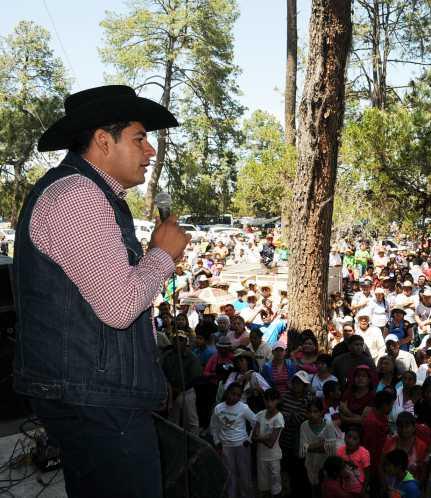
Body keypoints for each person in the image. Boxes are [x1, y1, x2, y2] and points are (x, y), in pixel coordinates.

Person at [14, 85, 189, 498]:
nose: (150, 152)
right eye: (139, 138)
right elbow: (120, 306)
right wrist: (163, 255)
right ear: (103, 140)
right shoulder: (78, 195)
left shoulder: (84, 193)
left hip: (88, 394)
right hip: (98, 400)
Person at [210, 382, 257, 498]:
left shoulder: (243, 408)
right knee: (229, 475)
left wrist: (250, 439)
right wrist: (217, 442)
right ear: (227, 393)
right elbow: (214, 427)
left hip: (242, 445)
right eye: (232, 394)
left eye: (238, 395)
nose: (235, 397)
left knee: (245, 474)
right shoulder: (218, 408)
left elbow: (256, 422)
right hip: (225, 446)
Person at [162, 331, 203, 435]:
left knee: (191, 421)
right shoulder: (167, 355)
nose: (178, 342)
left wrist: (180, 389)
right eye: (175, 339)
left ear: (186, 342)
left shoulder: (192, 357)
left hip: (186, 391)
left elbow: (195, 377)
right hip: (170, 391)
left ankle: (194, 444)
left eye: (181, 340)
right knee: (172, 419)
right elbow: (161, 370)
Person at [299, 398, 344, 494]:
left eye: (315, 411)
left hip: (326, 467)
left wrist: (309, 447)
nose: (312, 415)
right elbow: (302, 450)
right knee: (314, 490)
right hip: (311, 465)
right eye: (309, 412)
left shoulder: (328, 426)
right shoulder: (304, 425)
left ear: (321, 412)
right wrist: (321, 445)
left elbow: (331, 450)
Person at [252, 388, 285, 498]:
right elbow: (253, 437)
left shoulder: (279, 418)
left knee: (275, 487)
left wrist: (260, 437)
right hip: (261, 456)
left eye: (272, 400)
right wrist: (265, 437)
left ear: (278, 401)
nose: (269, 403)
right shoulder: (260, 414)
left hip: (273, 457)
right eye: (267, 400)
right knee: (263, 487)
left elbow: (271, 444)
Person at [337, 426, 371, 496]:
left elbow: (367, 474)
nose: (350, 441)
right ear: (344, 437)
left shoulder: (364, 453)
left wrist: (363, 490)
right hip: (345, 488)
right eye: (348, 437)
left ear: (360, 441)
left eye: (355, 439)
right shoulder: (340, 451)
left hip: (359, 489)